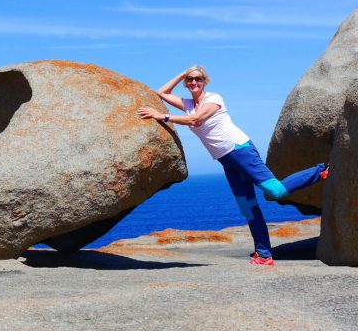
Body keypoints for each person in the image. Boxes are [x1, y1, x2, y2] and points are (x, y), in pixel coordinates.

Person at [137, 65, 328, 266]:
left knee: (276, 190)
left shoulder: (213, 99)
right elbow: (162, 92)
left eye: (198, 79)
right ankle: (264, 254)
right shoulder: (188, 105)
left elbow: (196, 119)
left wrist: (163, 116)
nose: (194, 82)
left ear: (205, 81)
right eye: (190, 80)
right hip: (226, 159)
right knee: (248, 208)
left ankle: (321, 170)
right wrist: (182, 74)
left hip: (240, 150)